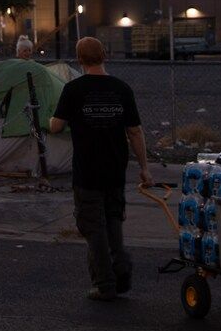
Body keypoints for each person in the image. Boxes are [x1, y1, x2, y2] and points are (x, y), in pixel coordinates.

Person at [50, 36, 152, 301]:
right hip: (115, 168)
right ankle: (121, 266)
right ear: (105, 55)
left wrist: (52, 118)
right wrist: (144, 168)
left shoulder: (73, 90)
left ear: (80, 60)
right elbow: (135, 131)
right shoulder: (122, 89)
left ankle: (105, 282)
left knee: (92, 225)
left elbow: (56, 126)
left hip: (87, 170)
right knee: (113, 219)